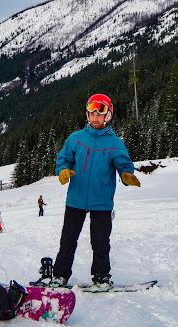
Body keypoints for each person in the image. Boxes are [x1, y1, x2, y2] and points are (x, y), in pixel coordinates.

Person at [50, 93, 141, 290]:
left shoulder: (115, 143)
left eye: (99, 114)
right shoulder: (76, 139)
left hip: (102, 201)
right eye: (91, 114)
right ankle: (60, 276)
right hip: (75, 199)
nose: (94, 118)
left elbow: (124, 165)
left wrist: (126, 175)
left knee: (100, 243)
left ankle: (101, 277)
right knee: (68, 240)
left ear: (108, 115)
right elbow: (62, 160)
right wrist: (62, 171)